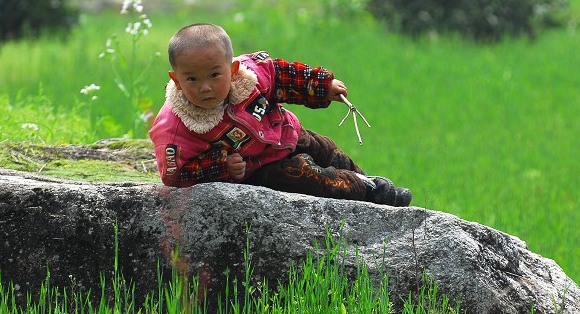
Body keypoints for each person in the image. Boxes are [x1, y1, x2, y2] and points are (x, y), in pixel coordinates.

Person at [148, 23, 412, 207]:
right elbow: (175, 173)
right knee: (311, 177)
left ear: (233, 68)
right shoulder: (176, 125)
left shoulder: (251, 75)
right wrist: (221, 165)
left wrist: (321, 86)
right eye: (192, 79)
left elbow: (284, 76)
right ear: (176, 79)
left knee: (329, 150)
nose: (205, 87)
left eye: (215, 75)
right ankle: (370, 192)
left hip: (286, 132)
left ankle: (364, 177)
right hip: (261, 167)